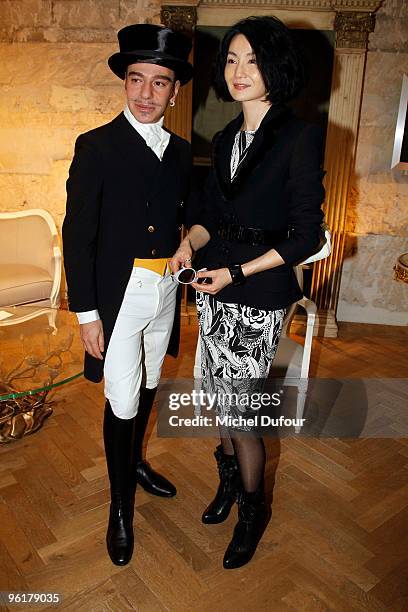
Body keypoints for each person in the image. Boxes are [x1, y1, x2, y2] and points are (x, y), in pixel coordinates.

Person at [171, 16, 325, 569]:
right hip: (212, 284)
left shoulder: (301, 136)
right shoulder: (226, 137)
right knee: (215, 396)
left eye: (253, 60)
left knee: (242, 411)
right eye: (232, 59)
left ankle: (253, 510)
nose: (239, 71)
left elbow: (307, 236)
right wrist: (190, 242)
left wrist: (238, 275)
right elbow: (212, 215)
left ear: (275, 67)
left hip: (257, 294)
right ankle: (231, 484)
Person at [62, 24, 193, 566]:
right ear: (123, 82)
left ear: (175, 91)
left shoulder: (184, 152)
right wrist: (86, 314)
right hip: (118, 297)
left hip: (165, 290)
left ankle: (135, 461)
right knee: (121, 396)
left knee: (150, 380)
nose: (145, 94)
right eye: (136, 80)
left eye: (159, 83)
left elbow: (183, 218)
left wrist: (187, 242)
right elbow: (77, 234)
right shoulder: (95, 146)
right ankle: (119, 508)